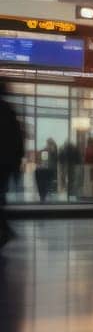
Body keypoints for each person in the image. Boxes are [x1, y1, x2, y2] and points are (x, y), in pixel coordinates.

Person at [0, 82, 20, 245]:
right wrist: (16, 166)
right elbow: (16, 141)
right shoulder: (8, 111)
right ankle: (5, 229)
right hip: (5, 164)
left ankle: (5, 229)